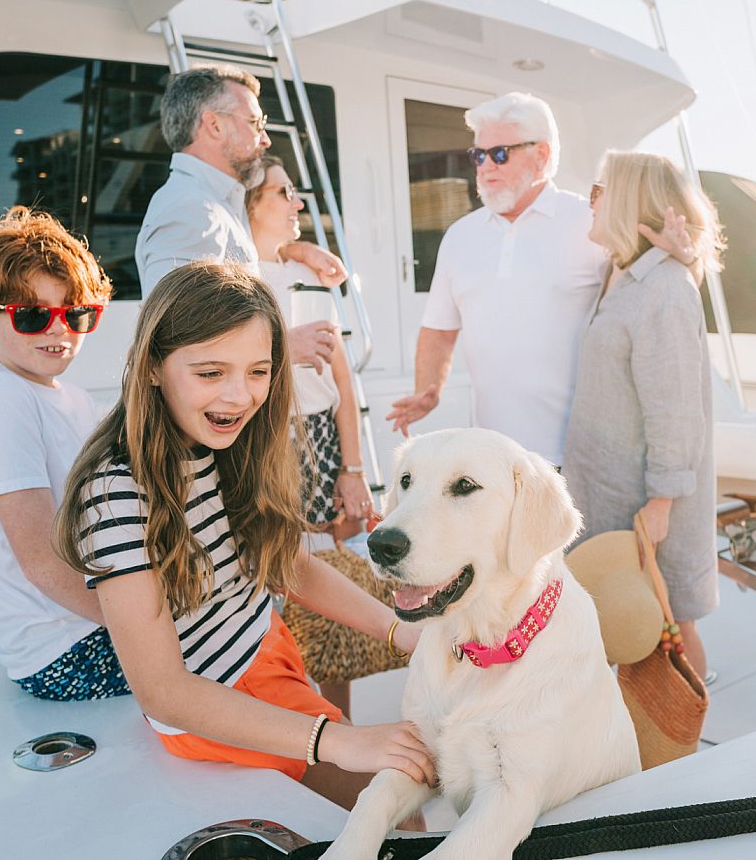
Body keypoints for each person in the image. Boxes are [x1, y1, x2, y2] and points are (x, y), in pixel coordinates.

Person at [55, 262, 432, 814]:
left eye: (259, 371)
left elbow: (286, 564)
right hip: (218, 701)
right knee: (399, 813)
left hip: (269, 650)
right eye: (211, 373)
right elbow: (164, 691)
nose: (239, 396)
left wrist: (398, 631)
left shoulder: (226, 445)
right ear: (152, 366)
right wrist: (339, 741)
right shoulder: (117, 493)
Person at [386, 92, 693, 466]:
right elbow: (439, 328)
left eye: (499, 154)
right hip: (494, 456)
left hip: (580, 456)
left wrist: (683, 259)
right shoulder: (460, 236)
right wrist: (428, 390)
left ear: (541, 155)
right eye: (478, 155)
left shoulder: (591, 222)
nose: (485, 166)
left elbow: (649, 299)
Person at [0, 207, 128, 700]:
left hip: (91, 621)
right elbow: (42, 563)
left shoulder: (68, 396)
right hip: (63, 649)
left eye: (77, 313)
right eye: (32, 315)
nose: (59, 330)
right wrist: (149, 624)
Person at [561, 151, 724, 682]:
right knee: (626, 627)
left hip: (647, 503)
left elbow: (676, 411)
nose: (591, 203)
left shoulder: (662, 290)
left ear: (629, 200)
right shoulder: (625, 275)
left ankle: (686, 731)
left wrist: (661, 503)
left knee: (670, 625)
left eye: (599, 191)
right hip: (608, 493)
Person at [247, 155, 384, 718]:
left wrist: (353, 471)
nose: (297, 202)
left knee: (329, 587)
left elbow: (343, 384)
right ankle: (295, 723)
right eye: (282, 193)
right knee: (274, 590)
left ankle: (341, 722)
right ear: (249, 204)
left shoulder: (309, 277)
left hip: (320, 438)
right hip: (263, 442)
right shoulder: (235, 278)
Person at [135, 64, 343, 371]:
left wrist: (298, 250)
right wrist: (283, 346)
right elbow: (177, 332)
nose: (265, 139)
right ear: (214, 125)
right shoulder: (192, 208)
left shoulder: (215, 204)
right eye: (256, 123)